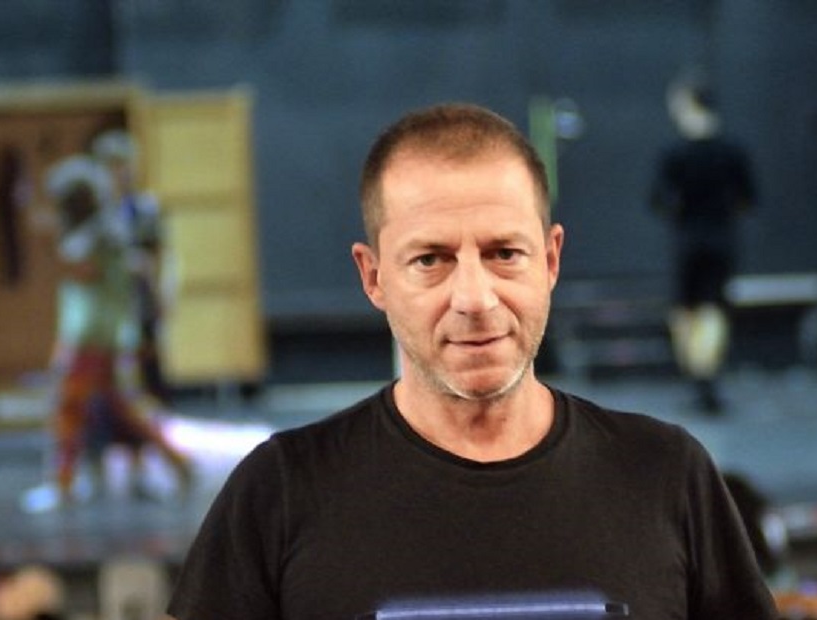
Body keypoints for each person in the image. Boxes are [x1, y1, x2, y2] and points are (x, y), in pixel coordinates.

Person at [166, 103, 778, 619]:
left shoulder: (666, 476)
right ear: (373, 277)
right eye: (430, 260)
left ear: (551, 260)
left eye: (504, 253)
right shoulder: (279, 493)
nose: (475, 299)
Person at [40, 155, 191, 508]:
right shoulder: (107, 232)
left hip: (92, 338)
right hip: (103, 335)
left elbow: (79, 270)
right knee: (124, 410)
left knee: (68, 409)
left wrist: (46, 240)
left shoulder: (96, 236)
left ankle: (63, 485)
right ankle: (179, 463)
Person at [650, 71, 757, 414]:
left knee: (685, 309)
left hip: (688, 240)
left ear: (686, 104)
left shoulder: (674, 154)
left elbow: (658, 200)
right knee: (713, 308)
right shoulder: (732, 151)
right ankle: (707, 378)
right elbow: (748, 198)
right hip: (721, 238)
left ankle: (698, 377)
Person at [91, 129, 171, 406]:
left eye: (124, 165)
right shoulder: (95, 213)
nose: (120, 173)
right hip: (108, 305)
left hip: (141, 299)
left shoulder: (145, 209)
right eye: (113, 166)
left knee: (149, 368)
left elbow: (160, 255)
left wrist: (162, 293)